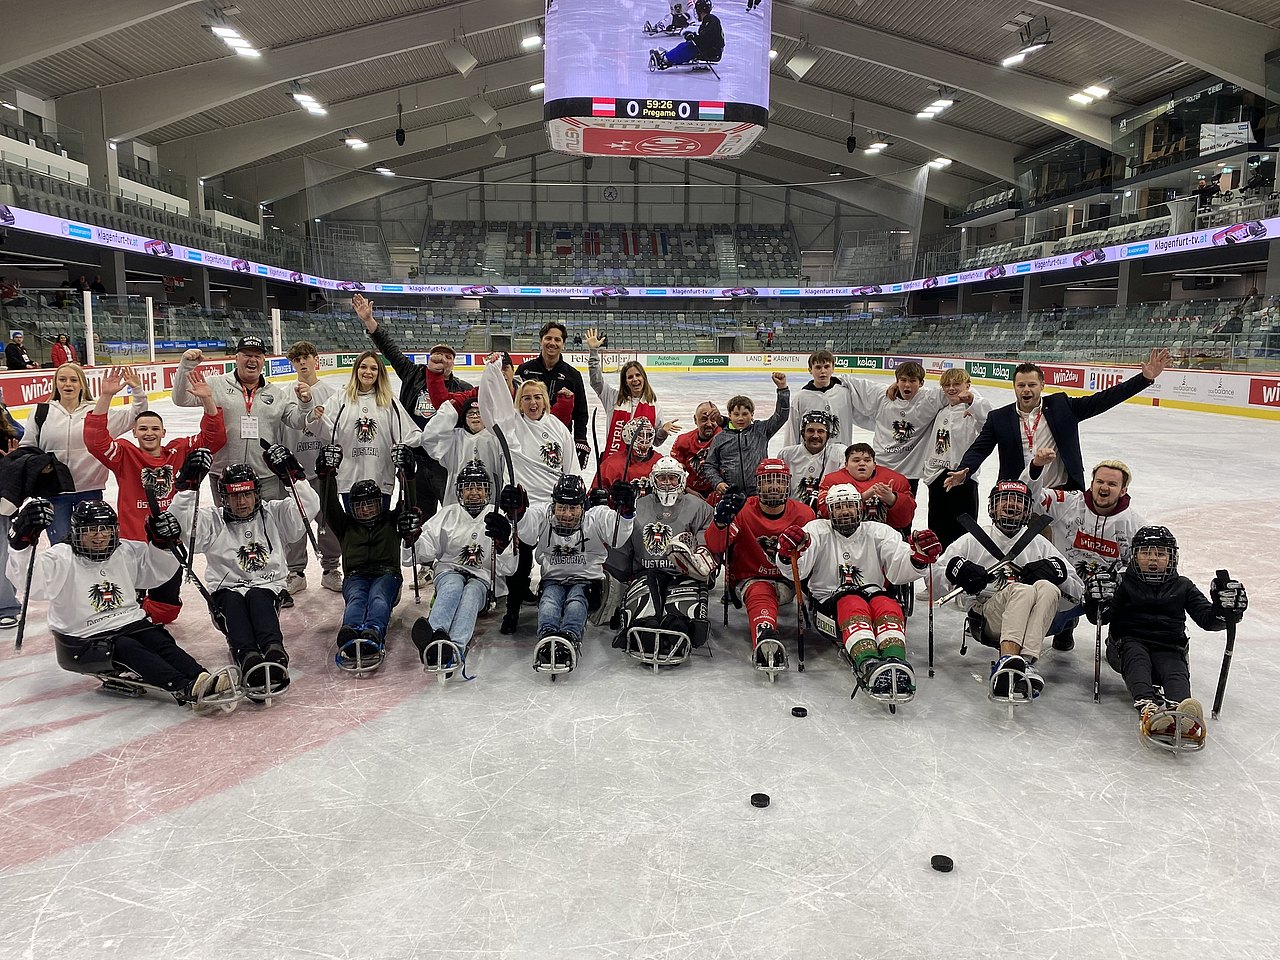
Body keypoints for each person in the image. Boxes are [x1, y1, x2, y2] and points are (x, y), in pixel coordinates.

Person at [6, 497, 235, 713]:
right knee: (127, 647)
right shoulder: (61, 557)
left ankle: (201, 678)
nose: (99, 536)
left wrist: (161, 544)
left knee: (158, 639)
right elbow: (32, 586)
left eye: (105, 529)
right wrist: (21, 545)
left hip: (128, 621)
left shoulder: (123, 550)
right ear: (76, 532)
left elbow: (155, 574)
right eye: (90, 531)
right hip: (84, 637)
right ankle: (184, 686)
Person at [168, 447, 319, 701]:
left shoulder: (274, 513)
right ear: (223, 497)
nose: (241, 502)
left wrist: (293, 475)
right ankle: (247, 656)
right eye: (234, 496)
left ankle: (273, 650)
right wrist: (187, 486)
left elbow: (309, 508)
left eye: (247, 494)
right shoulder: (213, 520)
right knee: (234, 603)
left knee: (259, 598)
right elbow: (179, 522)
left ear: (256, 493)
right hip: (227, 593)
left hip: (267, 588)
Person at [84, 367, 226, 623]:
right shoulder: (125, 455)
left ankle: (146, 615)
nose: (149, 433)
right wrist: (105, 397)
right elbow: (96, 441)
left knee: (166, 612)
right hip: (131, 545)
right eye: (143, 429)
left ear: (163, 432)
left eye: (154, 428)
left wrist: (207, 400)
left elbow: (214, 439)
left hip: (167, 543)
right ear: (134, 433)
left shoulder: (179, 451)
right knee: (124, 609)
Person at [1083, 526, 1247, 745]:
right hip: (1126, 646)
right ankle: (1148, 708)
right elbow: (1100, 617)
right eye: (1145, 553)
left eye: (1160, 554)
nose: (1153, 559)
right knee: (1137, 657)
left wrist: (1226, 610)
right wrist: (1095, 598)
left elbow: (1209, 621)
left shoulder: (1183, 586)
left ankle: (1180, 711)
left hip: (1170, 646)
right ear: (1134, 555)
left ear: (1172, 557)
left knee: (1174, 668)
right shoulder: (1123, 583)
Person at [775, 485, 941, 697]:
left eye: (850, 506)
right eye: (838, 507)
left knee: (888, 604)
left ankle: (896, 661)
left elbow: (899, 566)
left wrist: (917, 558)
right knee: (852, 602)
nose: (845, 511)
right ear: (829, 511)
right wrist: (786, 555)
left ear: (859, 507)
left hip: (873, 596)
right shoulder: (816, 530)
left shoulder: (879, 531)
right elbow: (797, 570)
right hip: (828, 606)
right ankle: (868, 663)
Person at [932, 480, 1084, 701]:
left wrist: (1058, 573)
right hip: (987, 617)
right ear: (992, 507)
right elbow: (934, 585)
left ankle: (1024, 664)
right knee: (1021, 590)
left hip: (1029, 618)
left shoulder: (1039, 544)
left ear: (1027, 509)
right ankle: (1008, 660)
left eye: (1019, 501)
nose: (1011, 505)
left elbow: (1077, 592)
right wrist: (954, 571)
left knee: (1049, 589)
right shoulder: (972, 540)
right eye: (1005, 499)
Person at [947, 349, 1170, 493]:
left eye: (1032, 385)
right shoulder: (1000, 418)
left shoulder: (1062, 407)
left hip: (1062, 493)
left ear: (1042, 386)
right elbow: (980, 447)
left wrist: (1144, 379)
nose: (1026, 390)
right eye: (1021, 385)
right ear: (1014, 387)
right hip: (1018, 493)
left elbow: (1103, 400)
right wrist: (966, 467)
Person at [478, 351, 578, 634]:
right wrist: (492, 372)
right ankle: (513, 604)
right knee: (520, 559)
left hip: (553, 506)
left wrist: (569, 501)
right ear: (518, 402)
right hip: (522, 505)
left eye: (537, 398)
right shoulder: (510, 425)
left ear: (545, 401)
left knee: (555, 557)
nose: (532, 403)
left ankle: (556, 599)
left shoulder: (558, 428)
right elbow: (490, 403)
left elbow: (569, 465)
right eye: (526, 398)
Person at [353, 294, 471, 522]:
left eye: (448, 357)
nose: (442, 359)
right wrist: (369, 321)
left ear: (453, 363)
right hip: (413, 461)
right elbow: (389, 349)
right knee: (417, 518)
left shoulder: (462, 389)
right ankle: (421, 557)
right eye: (438, 355)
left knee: (450, 517)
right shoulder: (413, 374)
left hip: (445, 464)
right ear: (429, 359)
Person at [1023, 453, 1145, 652]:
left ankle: (1117, 637)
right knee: (1043, 625)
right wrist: (1036, 467)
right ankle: (1067, 625)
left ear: (1123, 490)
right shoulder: (1070, 502)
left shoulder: (1134, 524)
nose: (1104, 488)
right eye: (1100, 481)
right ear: (1092, 482)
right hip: (1066, 583)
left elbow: (1138, 569)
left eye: (1112, 484)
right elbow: (1032, 499)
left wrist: (1116, 584)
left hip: (1107, 592)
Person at [704, 459, 816, 673]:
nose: (774, 486)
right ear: (758, 484)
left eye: (779, 481)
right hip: (750, 579)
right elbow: (716, 545)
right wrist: (720, 522)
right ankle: (764, 635)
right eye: (767, 481)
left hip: (789, 581)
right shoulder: (742, 509)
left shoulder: (805, 514)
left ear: (788, 484)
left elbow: (813, 556)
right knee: (760, 591)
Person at [20, 362, 148, 544]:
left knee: (90, 547)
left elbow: (137, 416)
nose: (68, 384)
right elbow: (28, 447)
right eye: (62, 379)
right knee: (61, 546)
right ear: (55, 383)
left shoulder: (97, 412)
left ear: (82, 384)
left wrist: (137, 390)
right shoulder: (41, 412)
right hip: (54, 492)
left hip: (90, 491)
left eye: (74, 380)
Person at [407, 462, 517, 671]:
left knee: (471, 594)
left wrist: (503, 544)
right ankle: (433, 637)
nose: (473, 493)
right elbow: (423, 550)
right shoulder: (447, 515)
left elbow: (508, 568)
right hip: (450, 571)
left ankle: (454, 647)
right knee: (452, 587)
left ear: (487, 491)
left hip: (482, 579)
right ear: (459, 491)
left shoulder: (498, 518)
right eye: (468, 488)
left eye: (479, 487)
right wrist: (411, 539)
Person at [317, 446, 418, 669]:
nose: (365, 510)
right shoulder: (344, 525)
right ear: (351, 507)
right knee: (357, 599)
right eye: (359, 506)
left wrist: (407, 475)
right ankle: (350, 631)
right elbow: (329, 502)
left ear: (380, 504)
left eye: (370, 504)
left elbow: (409, 502)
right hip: (356, 576)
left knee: (378, 598)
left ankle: (373, 632)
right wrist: (327, 474)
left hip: (387, 575)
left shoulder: (392, 520)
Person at [523, 474, 635, 674]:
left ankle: (569, 637)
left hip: (586, 582)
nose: (567, 514)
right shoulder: (543, 515)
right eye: (562, 507)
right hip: (553, 579)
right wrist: (519, 511)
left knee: (576, 600)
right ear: (553, 504)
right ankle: (548, 637)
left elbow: (617, 536)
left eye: (573, 508)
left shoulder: (596, 517)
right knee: (549, 601)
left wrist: (625, 511)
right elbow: (527, 526)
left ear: (583, 505)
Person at [612, 456, 716, 663]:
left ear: (682, 480)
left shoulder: (699, 507)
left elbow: (708, 543)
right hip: (646, 572)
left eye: (672, 478)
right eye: (662, 478)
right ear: (653, 480)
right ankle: (645, 626)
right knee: (643, 608)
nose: (667, 483)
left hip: (684, 574)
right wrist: (621, 572)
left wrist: (702, 565)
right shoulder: (636, 506)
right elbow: (623, 542)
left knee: (679, 615)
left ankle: (679, 625)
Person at [279, 340, 343, 592]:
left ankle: (330, 568)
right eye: (297, 359)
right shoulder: (284, 393)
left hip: (323, 470)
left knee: (327, 520)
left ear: (315, 359)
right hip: (294, 472)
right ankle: (295, 571)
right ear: (292, 363)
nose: (302, 362)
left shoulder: (330, 393)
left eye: (306, 357)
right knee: (296, 520)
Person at [314, 350, 422, 499]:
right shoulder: (340, 398)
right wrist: (315, 417)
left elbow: (407, 433)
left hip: (381, 479)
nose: (368, 372)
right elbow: (327, 431)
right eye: (363, 367)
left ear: (380, 373)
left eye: (373, 368)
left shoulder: (389, 401)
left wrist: (423, 440)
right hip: (348, 478)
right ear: (356, 369)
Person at [842, 361, 950, 496]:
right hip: (880, 468)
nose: (907, 385)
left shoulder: (928, 399)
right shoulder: (883, 396)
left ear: (921, 383)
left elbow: (960, 390)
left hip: (909, 473)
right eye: (903, 380)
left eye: (912, 381)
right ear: (897, 381)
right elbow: (845, 381)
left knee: (904, 512)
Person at [921, 368, 991, 548]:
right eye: (947, 385)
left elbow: (989, 418)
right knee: (937, 531)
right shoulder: (941, 411)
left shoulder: (973, 410)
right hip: (938, 478)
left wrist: (972, 402)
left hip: (963, 479)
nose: (951, 388)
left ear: (967, 385)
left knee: (964, 534)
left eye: (956, 384)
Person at [585, 328, 676, 454]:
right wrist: (593, 352)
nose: (635, 379)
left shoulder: (655, 407)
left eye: (638, 375)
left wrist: (663, 432)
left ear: (644, 377)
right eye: (630, 377)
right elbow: (596, 382)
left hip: (640, 465)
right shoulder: (613, 398)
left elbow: (655, 441)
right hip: (614, 461)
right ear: (625, 381)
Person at [515, 320, 590, 469]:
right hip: (527, 437)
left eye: (557, 339)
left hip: (559, 440)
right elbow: (515, 405)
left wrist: (580, 439)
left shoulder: (572, 375)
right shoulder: (524, 370)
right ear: (541, 340)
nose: (552, 343)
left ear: (563, 344)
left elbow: (581, 413)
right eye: (548, 338)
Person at [703, 374, 790, 497]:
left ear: (752, 414)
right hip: (731, 493)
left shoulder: (761, 430)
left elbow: (781, 416)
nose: (740, 418)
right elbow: (709, 465)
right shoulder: (720, 438)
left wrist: (782, 389)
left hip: (759, 492)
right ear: (729, 415)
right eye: (736, 414)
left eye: (745, 414)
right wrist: (718, 483)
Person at [817, 443, 915, 529]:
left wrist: (892, 499)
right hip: (843, 535)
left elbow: (906, 519)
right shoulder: (831, 481)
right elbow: (824, 513)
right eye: (856, 460)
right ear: (846, 465)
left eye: (867, 460)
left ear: (874, 465)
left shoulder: (896, 480)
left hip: (885, 536)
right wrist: (861, 498)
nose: (862, 464)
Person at [786, 350, 859, 447]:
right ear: (810, 370)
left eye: (826, 367)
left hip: (840, 454)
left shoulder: (845, 393)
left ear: (833, 368)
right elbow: (792, 431)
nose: (823, 371)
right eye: (818, 367)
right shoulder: (800, 398)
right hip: (810, 457)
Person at [777, 410, 841, 511]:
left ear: (828, 435)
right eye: (810, 431)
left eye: (821, 431)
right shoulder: (786, 455)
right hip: (793, 513)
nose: (815, 436)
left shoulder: (838, 454)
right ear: (803, 433)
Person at [592, 415, 661, 496]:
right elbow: (594, 496)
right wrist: (610, 496)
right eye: (639, 436)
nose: (644, 440)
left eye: (648, 435)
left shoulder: (660, 463)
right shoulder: (611, 465)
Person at [671, 400, 723, 500]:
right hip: (691, 491)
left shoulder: (725, 437)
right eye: (704, 420)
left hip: (719, 491)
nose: (709, 424)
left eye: (713, 419)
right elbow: (674, 474)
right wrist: (687, 490)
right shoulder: (683, 441)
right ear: (695, 419)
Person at [650, 0, 724, 69]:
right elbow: (705, 38)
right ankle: (669, 56)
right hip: (713, 51)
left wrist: (693, 38)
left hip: (712, 52)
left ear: (700, 10)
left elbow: (705, 41)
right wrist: (693, 36)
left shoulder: (710, 22)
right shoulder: (709, 20)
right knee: (687, 45)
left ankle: (665, 59)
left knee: (688, 47)